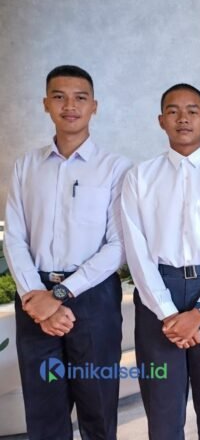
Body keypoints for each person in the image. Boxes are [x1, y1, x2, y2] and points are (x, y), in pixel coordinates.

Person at [3, 65, 131, 439]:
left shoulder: (116, 168)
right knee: (43, 411)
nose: (70, 106)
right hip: (34, 296)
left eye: (80, 98)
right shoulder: (27, 165)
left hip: (93, 299)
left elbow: (118, 245)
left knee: (98, 407)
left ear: (94, 106)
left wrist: (58, 295)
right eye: (59, 97)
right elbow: (15, 237)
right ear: (46, 104)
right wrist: (35, 296)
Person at [120, 84, 200, 440]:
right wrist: (167, 313)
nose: (183, 118)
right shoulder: (140, 177)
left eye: (192, 111)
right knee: (162, 407)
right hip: (159, 293)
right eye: (173, 111)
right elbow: (136, 250)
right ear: (161, 121)